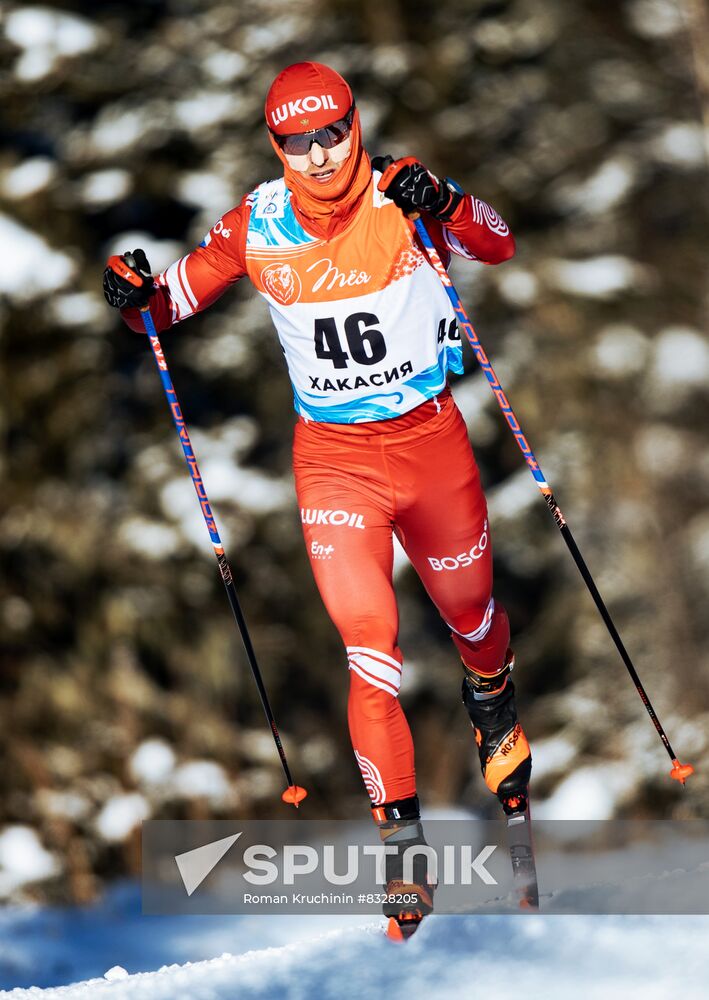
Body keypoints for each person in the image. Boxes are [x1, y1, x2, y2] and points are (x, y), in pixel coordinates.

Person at [103, 61, 532, 937]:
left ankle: (492, 704)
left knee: (472, 615)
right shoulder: (257, 223)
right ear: (277, 145)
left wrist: (446, 200)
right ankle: (405, 859)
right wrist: (131, 294)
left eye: (332, 131)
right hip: (334, 461)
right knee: (369, 648)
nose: (319, 152)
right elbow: (165, 306)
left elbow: (496, 242)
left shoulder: (400, 198)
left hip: (430, 445)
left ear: (355, 126)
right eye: (298, 140)